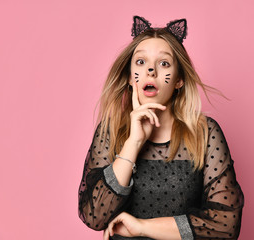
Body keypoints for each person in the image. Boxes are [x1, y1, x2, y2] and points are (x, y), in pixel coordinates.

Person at [78, 16, 244, 240]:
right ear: (129, 77)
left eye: (164, 63)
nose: (151, 71)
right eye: (140, 62)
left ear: (179, 80)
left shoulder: (205, 133)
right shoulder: (111, 130)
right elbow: (94, 216)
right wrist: (133, 144)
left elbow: (226, 225)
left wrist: (142, 227)